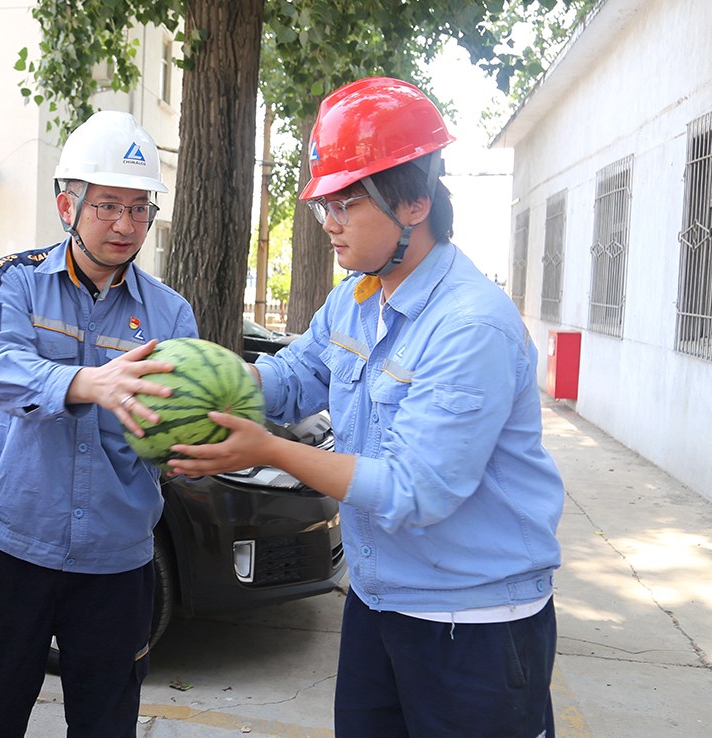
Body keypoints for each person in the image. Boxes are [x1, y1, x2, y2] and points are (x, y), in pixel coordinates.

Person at [167, 77, 564, 738]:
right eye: (325, 203)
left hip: (473, 630)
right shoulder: (355, 297)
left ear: (412, 201)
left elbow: (416, 490)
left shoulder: (470, 327)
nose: (328, 223)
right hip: (380, 605)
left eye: (346, 202)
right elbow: (296, 375)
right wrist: (201, 380)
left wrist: (268, 450)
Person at [0, 110, 198, 737]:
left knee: (106, 724)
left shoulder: (171, 315)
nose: (126, 225)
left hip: (116, 561)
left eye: (140, 209)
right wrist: (88, 382)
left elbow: (177, 426)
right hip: (15, 545)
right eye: (108, 206)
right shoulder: (14, 279)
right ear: (68, 205)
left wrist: (195, 432)